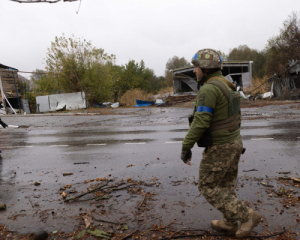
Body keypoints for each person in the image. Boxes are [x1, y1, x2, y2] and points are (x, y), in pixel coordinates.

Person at [180, 49, 261, 238]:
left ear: (205, 68)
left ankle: (248, 216)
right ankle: (229, 223)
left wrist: (186, 146)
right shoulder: (227, 84)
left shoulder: (209, 89)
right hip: (234, 143)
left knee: (207, 186)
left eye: (196, 66)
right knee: (225, 186)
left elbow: (201, 122)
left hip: (220, 147)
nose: (194, 71)